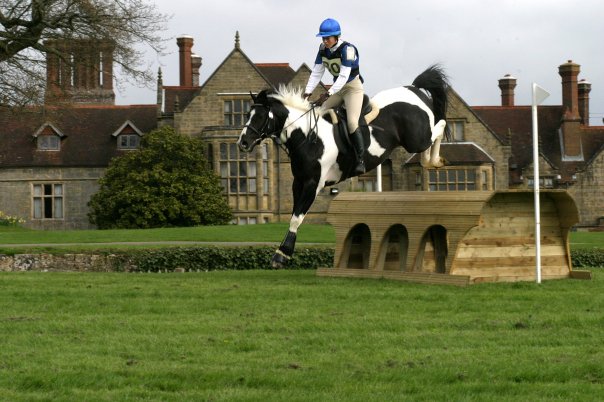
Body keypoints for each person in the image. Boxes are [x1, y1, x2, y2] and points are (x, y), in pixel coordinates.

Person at [304, 18, 366, 175]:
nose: (325, 41)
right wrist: (307, 92)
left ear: (337, 37)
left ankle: (361, 160)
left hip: (352, 89)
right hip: (338, 89)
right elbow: (317, 72)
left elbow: (344, 76)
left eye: (328, 38)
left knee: (352, 122)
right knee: (318, 112)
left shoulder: (348, 50)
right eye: (323, 38)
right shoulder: (322, 49)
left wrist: (328, 93)